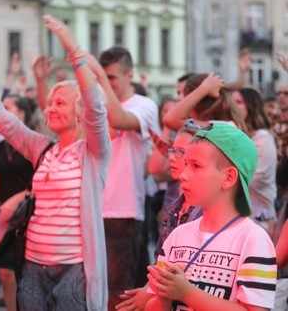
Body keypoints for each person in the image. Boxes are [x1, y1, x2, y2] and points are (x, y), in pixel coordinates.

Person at [0, 14, 111, 310]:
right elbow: (1, 118)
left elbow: (96, 107)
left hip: (74, 269)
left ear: (80, 112)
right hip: (34, 265)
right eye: (49, 103)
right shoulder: (44, 149)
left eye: (59, 103)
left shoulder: (93, 153)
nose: (50, 108)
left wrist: (72, 48)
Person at [145, 122, 276, 311]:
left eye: (196, 166)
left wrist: (187, 293)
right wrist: (164, 298)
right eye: (186, 164)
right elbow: (153, 305)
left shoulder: (254, 241)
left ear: (229, 177)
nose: (184, 175)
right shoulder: (177, 236)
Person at [92, 45, 160, 308]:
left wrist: (97, 76)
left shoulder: (145, 104)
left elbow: (119, 119)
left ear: (129, 75)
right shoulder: (98, 104)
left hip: (124, 209)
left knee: (119, 290)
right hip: (93, 207)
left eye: (110, 77)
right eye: (101, 77)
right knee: (93, 288)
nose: (104, 83)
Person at [118, 121, 203, 311]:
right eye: (172, 151)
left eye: (180, 151)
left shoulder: (205, 210)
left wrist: (148, 293)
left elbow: (186, 267)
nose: (171, 157)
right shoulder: (173, 208)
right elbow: (161, 263)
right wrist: (148, 291)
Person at [0, 93, 37, 311]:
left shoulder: (34, 143)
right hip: (4, 214)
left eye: (8, 108)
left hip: (32, 214)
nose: (2, 113)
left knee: (28, 273)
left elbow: (42, 181)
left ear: (21, 114)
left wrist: (16, 200)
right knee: (5, 273)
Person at [232, 88, 277, 234]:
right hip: (239, 221)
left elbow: (252, 180)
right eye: (232, 102)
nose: (233, 106)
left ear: (252, 107)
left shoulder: (263, 138)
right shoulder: (237, 135)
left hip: (261, 221)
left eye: (238, 102)